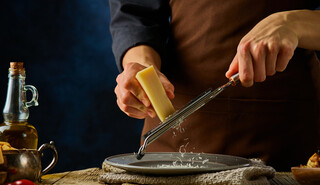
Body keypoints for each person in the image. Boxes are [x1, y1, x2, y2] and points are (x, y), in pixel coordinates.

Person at [109, 0, 320, 170]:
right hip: (174, 150)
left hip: (288, 151)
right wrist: (142, 69)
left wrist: (292, 22)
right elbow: (135, 12)